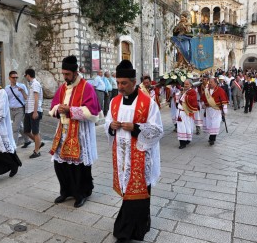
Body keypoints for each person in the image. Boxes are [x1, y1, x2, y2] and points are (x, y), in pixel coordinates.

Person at [105, 60, 163, 243]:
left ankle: (128, 231)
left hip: (140, 155)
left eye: (124, 83)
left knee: (139, 192)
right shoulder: (114, 102)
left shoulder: (148, 103)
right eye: (118, 83)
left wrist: (136, 128)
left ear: (133, 81)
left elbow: (157, 130)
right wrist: (111, 126)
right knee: (127, 191)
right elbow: (107, 121)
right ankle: (140, 224)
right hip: (123, 156)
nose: (120, 87)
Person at [49, 55, 101, 208]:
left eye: (67, 74)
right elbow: (53, 107)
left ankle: (81, 193)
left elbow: (93, 113)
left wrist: (70, 110)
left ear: (75, 72)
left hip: (80, 132)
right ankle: (65, 191)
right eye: (63, 74)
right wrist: (58, 109)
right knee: (60, 165)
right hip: (63, 131)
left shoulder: (87, 87)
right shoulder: (63, 87)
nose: (65, 77)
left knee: (78, 166)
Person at [5, 71, 31, 148]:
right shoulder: (7, 88)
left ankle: (13, 146)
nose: (15, 79)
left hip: (20, 110)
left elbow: (27, 98)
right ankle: (27, 140)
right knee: (19, 127)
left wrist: (22, 91)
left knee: (15, 128)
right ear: (9, 78)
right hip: (11, 110)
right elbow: (5, 100)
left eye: (16, 77)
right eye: (13, 77)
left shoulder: (22, 86)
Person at [23, 68, 44, 158]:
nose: (25, 78)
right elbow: (29, 98)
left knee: (35, 132)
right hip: (28, 111)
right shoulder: (31, 85)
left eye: (25, 76)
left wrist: (35, 112)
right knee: (26, 131)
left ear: (28, 75)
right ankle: (38, 143)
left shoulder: (35, 84)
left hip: (34, 111)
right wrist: (22, 91)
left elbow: (36, 99)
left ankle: (37, 151)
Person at [201, 78, 228, 145]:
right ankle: (211, 136)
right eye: (209, 82)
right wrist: (203, 105)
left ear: (216, 83)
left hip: (216, 110)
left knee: (215, 124)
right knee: (210, 124)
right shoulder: (206, 91)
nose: (210, 83)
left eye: (211, 82)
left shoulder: (220, 90)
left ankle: (212, 138)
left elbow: (224, 102)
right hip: (208, 111)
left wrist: (224, 111)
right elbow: (203, 99)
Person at [176, 79, 198, 149]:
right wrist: (180, 94)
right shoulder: (182, 91)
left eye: (187, 84)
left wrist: (184, 95)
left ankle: (187, 140)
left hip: (186, 112)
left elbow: (193, 101)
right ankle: (182, 142)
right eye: (185, 84)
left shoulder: (192, 91)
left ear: (191, 85)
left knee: (187, 126)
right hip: (180, 112)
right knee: (181, 127)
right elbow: (177, 100)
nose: (185, 85)